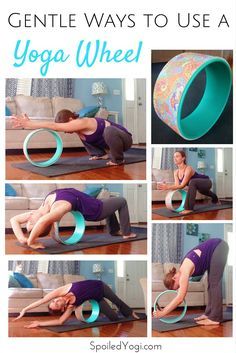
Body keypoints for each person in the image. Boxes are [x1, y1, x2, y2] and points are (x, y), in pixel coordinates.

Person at [10, 188, 136, 249]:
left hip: (93, 202)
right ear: (43, 223)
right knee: (122, 201)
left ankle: (114, 230)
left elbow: (13, 220)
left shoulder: (39, 211)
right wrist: (32, 242)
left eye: (27, 222)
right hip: (96, 210)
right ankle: (126, 233)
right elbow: (43, 221)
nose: (30, 216)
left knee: (110, 201)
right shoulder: (58, 209)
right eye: (31, 222)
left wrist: (22, 238)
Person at [11, 110, 133, 166]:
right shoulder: (78, 128)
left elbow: (53, 126)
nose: (65, 131)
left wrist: (30, 124)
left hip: (125, 140)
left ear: (71, 120)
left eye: (66, 126)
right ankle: (100, 154)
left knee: (109, 130)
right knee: (83, 135)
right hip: (108, 144)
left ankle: (118, 159)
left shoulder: (83, 122)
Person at [153, 238, 229, 326]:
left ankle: (215, 318)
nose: (179, 287)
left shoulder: (184, 272)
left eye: (177, 286)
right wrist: (165, 309)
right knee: (210, 284)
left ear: (174, 278)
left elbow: (180, 298)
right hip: (214, 250)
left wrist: (163, 313)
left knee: (215, 283)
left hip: (219, 246)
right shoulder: (182, 269)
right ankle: (208, 314)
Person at [14, 279, 140, 328]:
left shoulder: (61, 291)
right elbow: (60, 322)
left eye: (54, 301)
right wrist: (39, 323)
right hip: (97, 298)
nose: (56, 300)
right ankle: (111, 312)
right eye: (57, 304)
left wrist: (24, 310)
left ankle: (130, 311)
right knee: (114, 318)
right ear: (63, 308)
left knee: (116, 300)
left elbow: (41, 300)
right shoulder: (70, 307)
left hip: (101, 286)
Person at [156, 150, 219, 215]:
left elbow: (182, 185)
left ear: (183, 158)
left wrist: (168, 187)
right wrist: (166, 186)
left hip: (206, 182)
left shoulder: (188, 168)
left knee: (192, 182)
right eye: (174, 157)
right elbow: (177, 185)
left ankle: (189, 208)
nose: (175, 158)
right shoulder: (176, 172)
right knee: (205, 192)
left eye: (177, 156)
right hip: (197, 186)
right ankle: (216, 199)